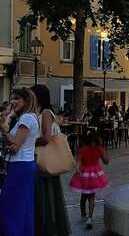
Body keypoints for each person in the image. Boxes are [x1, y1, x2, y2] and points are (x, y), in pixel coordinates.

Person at [32, 85, 71, 236]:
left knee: (46, 196)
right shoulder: (43, 113)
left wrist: (29, 142)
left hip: (45, 161)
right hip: (47, 162)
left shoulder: (46, 113)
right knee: (48, 196)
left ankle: (48, 227)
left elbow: (46, 137)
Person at [0, 88, 40, 236]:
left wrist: (3, 130)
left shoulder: (27, 118)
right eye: (12, 98)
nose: (12, 102)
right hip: (23, 165)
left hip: (20, 166)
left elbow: (16, 145)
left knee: (10, 207)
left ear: (26, 101)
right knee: (23, 208)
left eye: (17, 99)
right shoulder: (27, 117)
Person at [69, 131, 109, 230]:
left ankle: (83, 214)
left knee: (83, 196)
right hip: (95, 175)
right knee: (91, 197)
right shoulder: (99, 149)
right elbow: (106, 161)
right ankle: (89, 219)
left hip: (84, 175)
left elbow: (78, 162)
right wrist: (105, 154)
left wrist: (78, 169)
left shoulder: (81, 149)